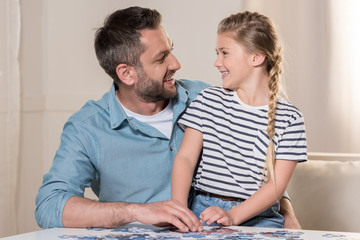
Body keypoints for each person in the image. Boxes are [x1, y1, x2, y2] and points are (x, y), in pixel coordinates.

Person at [35, 6, 301, 232]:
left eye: (171, 50)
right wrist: (136, 212)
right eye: (162, 58)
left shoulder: (205, 97)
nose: (176, 63)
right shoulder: (87, 128)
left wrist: (284, 212)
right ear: (127, 74)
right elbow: (49, 207)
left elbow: (257, 161)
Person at [171, 11, 307, 228]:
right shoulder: (208, 100)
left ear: (256, 57)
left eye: (225, 53)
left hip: (260, 217)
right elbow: (185, 158)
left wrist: (233, 216)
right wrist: (178, 209)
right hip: (203, 210)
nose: (217, 62)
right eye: (217, 53)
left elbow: (276, 186)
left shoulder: (290, 118)